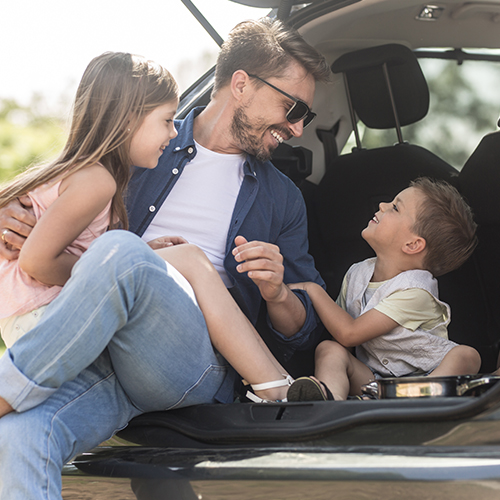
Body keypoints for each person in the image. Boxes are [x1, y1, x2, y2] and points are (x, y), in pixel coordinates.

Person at [0, 18, 332, 499]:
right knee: (20, 438)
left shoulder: (282, 199)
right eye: (291, 106)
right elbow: (65, 185)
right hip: (101, 355)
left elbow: (306, 330)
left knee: (125, 253)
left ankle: (8, 386)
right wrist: (13, 211)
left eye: (306, 116)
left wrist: (278, 293)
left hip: (191, 364)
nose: (297, 127)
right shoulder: (140, 143)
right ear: (241, 84)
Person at [287, 178, 482, 402]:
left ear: (412, 245)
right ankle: (330, 404)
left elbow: (349, 333)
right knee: (329, 349)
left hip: (426, 377)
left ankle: (421, 402)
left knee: (466, 355)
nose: (382, 205)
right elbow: (340, 338)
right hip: (375, 383)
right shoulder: (356, 274)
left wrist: (313, 289)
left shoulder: (416, 291)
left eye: (395, 207)